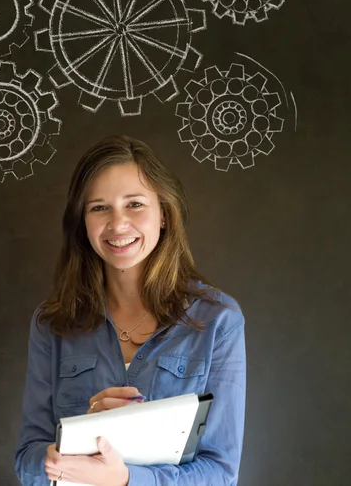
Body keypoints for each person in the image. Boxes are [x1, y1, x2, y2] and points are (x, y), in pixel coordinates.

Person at [14, 135, 246, 485]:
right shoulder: (52, 323)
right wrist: (63, 456)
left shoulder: (218, 320)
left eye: (135, 204)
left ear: (164, 214)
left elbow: (221, 473)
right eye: (99, 207)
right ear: (83, 222)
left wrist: (125, 479)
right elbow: (28, 459)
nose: (118, 224)